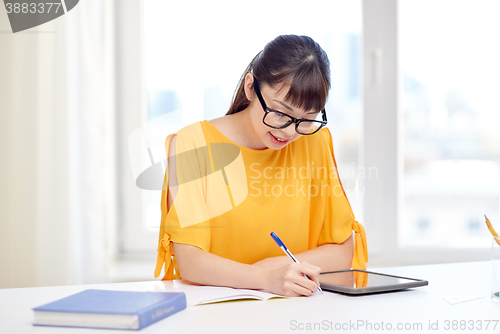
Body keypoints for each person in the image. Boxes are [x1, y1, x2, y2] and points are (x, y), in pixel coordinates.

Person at [154, 35, 368, 297]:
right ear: (250, 87)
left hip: (298, 310)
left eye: (306, 119)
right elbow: (190, 261)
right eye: (279, 112)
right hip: (216, 313)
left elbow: (342, 251)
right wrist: (265, 277)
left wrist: (278, 267)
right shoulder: (193, 144)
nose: (290, 132)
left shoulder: (315, 141)